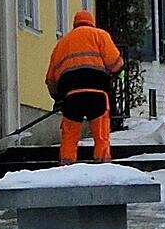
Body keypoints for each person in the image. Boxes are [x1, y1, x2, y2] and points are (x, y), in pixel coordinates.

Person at [45, 11, 124, 165]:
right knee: (101, 135)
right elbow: (115, 64)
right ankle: (103, 162)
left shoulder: (62, 43)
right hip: (97, 93)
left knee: (69, 136)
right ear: (91, 22)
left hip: (71, 96)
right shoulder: (100, 35)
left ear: (75, 24)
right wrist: (117, 72)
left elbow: (50, 79)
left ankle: (66, 165)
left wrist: (57, 98)